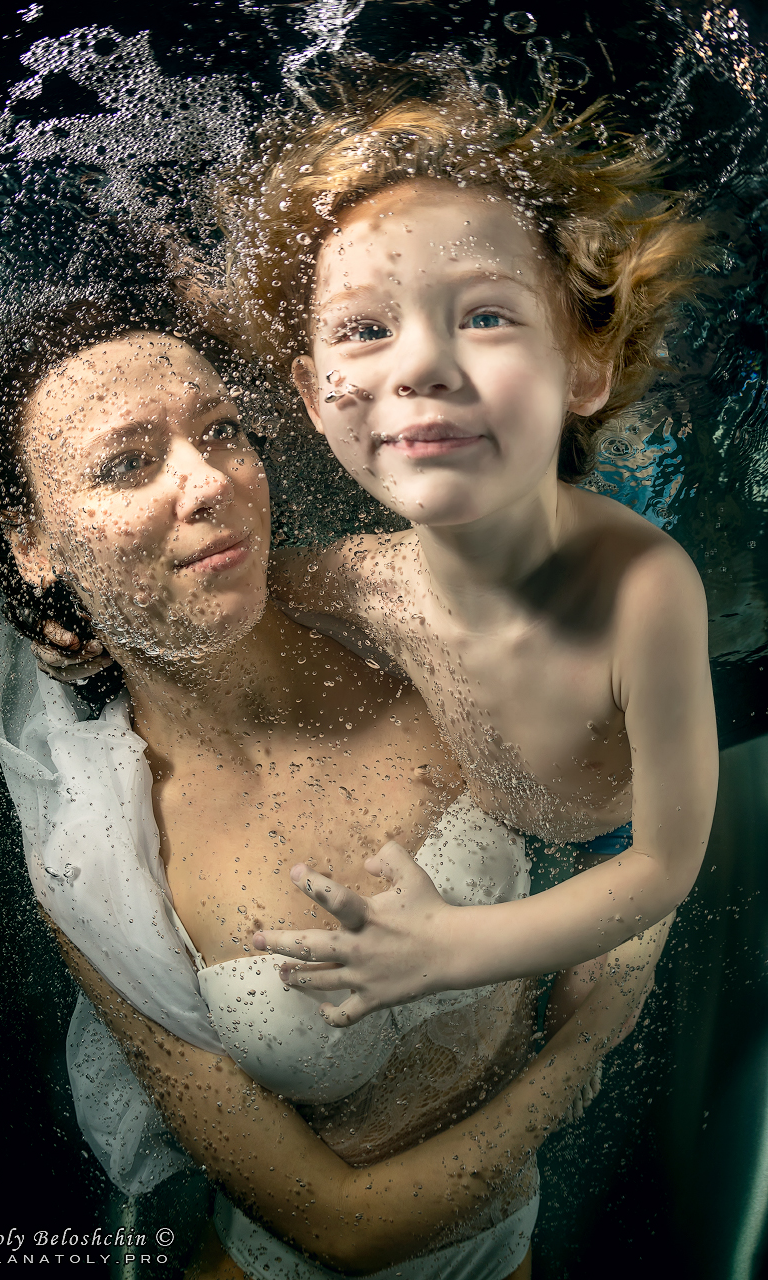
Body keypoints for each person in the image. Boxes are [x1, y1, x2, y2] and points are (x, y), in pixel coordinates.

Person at [0, 288, 662, 1280]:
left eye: (220, 430)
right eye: (127, 462)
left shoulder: (404, 621)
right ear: (32, 543)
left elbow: (624, 795)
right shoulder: (96, 865)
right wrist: (580, 1052)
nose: (206, 480)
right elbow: (339, 1224)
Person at [213, 79, 717, 1025]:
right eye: (365, 330)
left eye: (483, 315)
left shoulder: (644, 594)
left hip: (616, 843)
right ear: (318, 399)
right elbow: (242, 602)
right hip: (490, 809)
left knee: (597, 999)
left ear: (582, 367)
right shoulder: (362, 581)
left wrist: (450, 949)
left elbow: (665, 862)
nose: (418, 366)